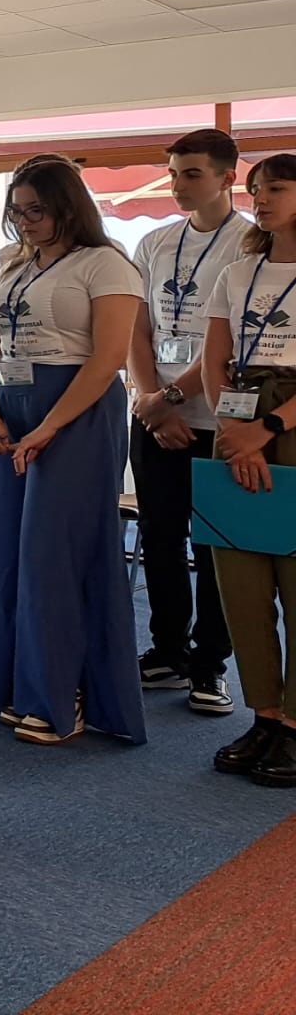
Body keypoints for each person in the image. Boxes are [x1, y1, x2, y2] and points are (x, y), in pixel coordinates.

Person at [0, 155, 145, 745]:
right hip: (13, 408)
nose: (25, 222)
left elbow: (108, 359)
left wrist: (49, 426)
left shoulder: (105, 263)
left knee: (56, 553)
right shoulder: (9, 262)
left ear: (68, 207)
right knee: (7, 553)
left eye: (36, 211)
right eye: (17, 212)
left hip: (76, 412)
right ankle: (17, 683)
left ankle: (62, 692)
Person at [125, 129, 242, 716]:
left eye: (192, 174)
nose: (177, 185)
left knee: (215, 544)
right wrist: (151, 400)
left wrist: (170, 396)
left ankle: (209, 664)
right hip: (154, 416)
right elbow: (135, 330)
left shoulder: (252, 243)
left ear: (227, 177)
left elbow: (233, 341)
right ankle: (167, 650)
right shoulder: (153, 242)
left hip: (218, 419)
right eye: (172, 173)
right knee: (161, 537)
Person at [202, 153, 296, 786]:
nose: (260, 199)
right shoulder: (237, 272)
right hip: (236, 428)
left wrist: (269, 429)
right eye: (256, 189)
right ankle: (264, 714)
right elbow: (215, 361)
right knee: (240, 580)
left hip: (286, 425)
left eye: (276, 189)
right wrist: (235, 431)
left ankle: (295, 724)